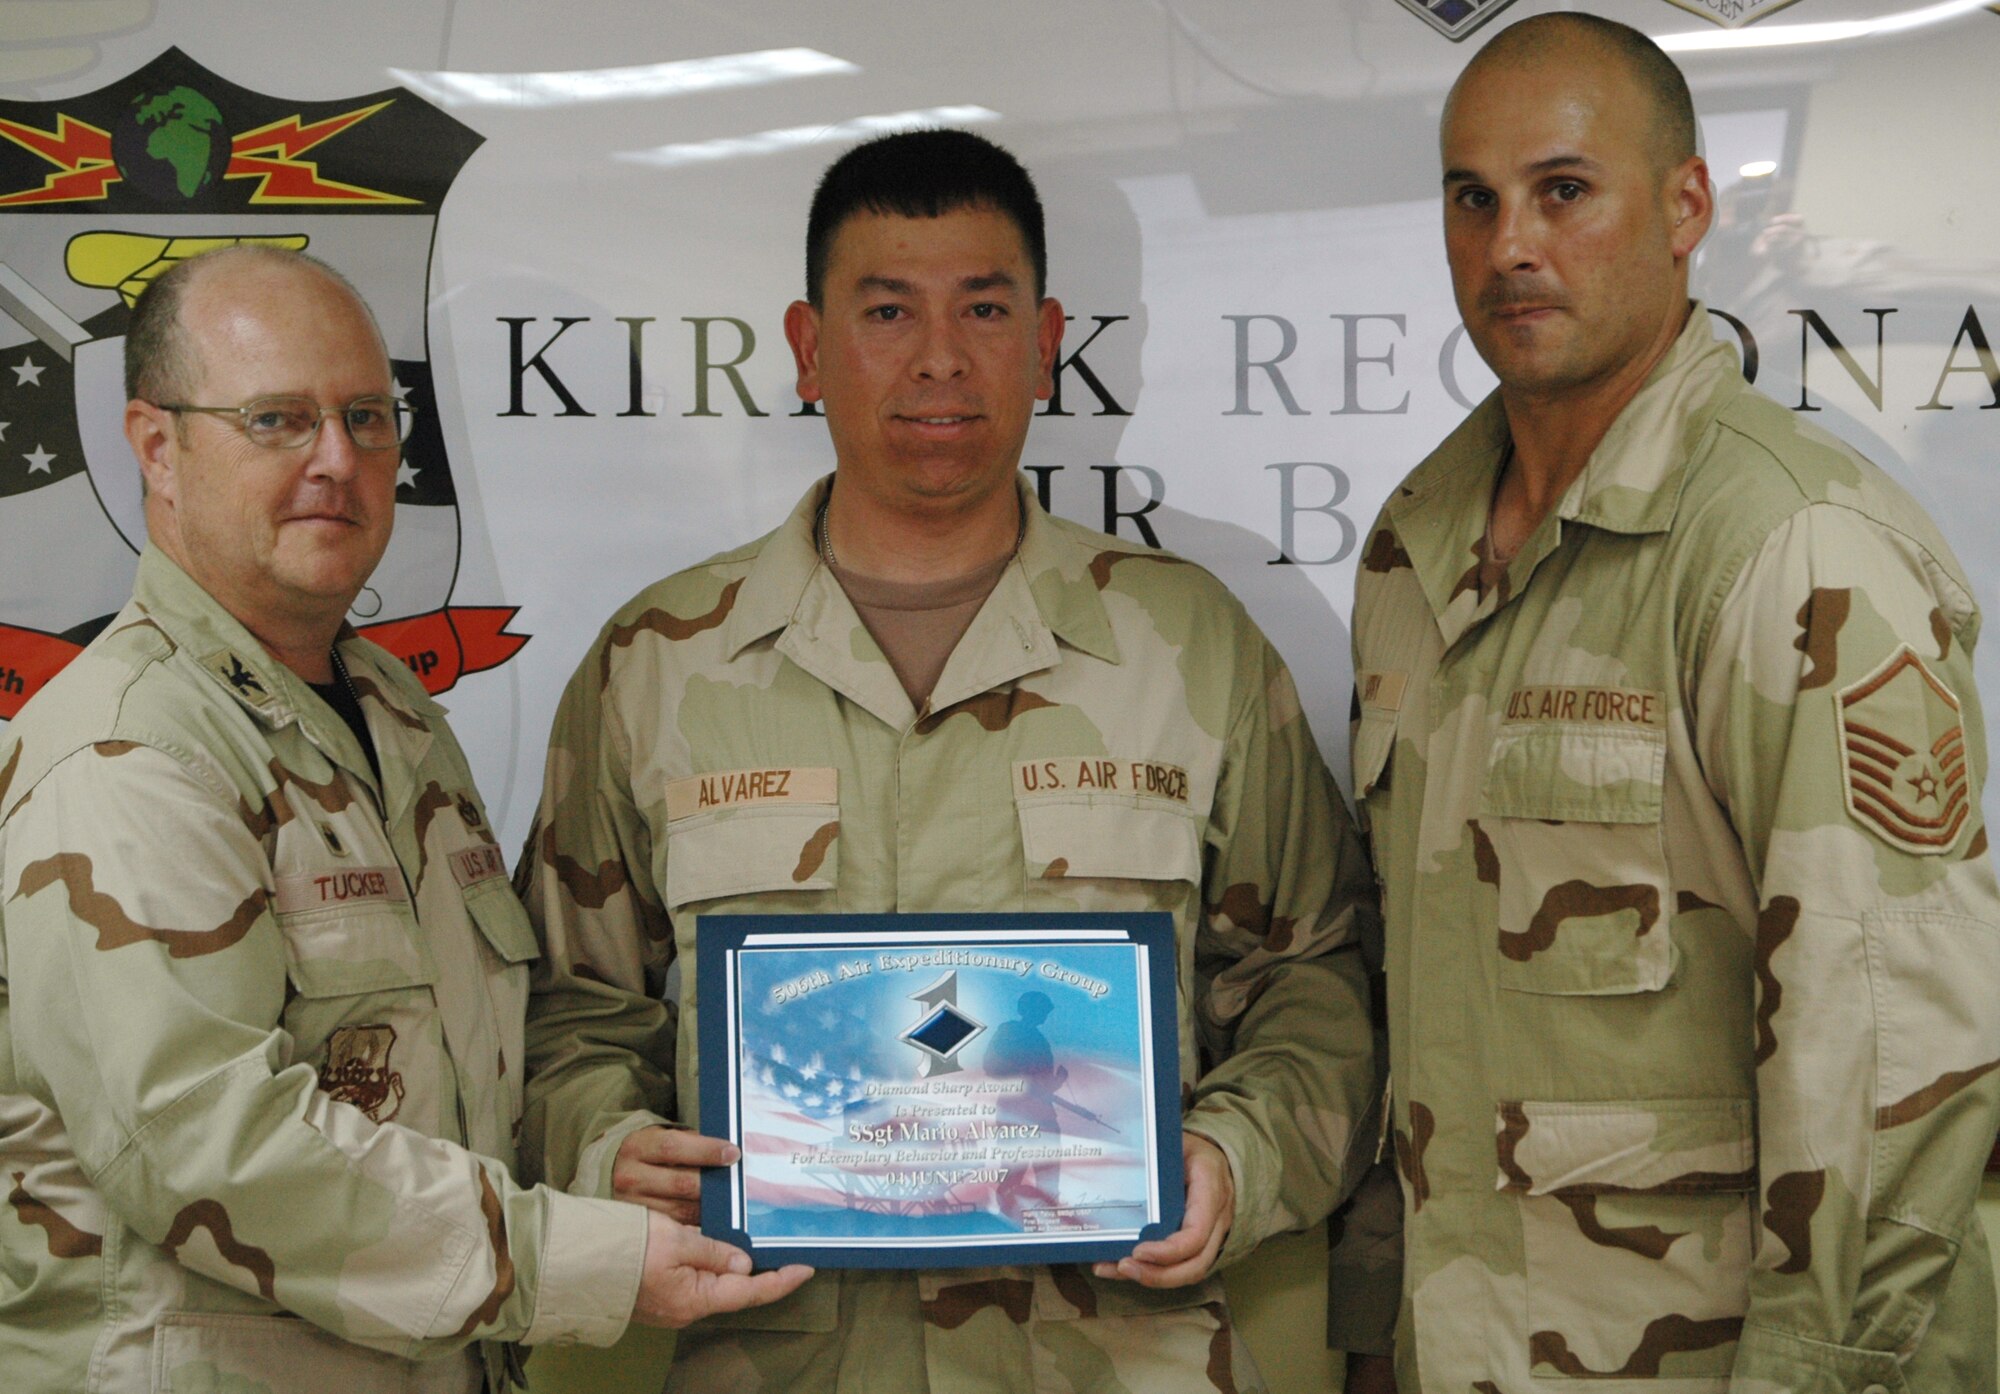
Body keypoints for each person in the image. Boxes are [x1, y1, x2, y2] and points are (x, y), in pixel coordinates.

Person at [518, 128, 1384, 1393]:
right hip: (778, 1352)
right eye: (886, 310)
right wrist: (604, 1142)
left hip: (1107, 1352)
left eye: (983, 307)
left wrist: (1237, 1158)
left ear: (1044, 342)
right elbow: (563, 1008)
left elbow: (1317, 981)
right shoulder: (656, 663)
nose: (938, 357)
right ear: (809, 349)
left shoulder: (1186, 647)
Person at [0, 245, 808, 1394]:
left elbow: (467, 1069)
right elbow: (201, 1144)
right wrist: (577, 1257)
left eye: (369, 417)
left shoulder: (391, 711)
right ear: (156, 448)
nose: (338, 459)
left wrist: (603, 1152)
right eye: (277, 418)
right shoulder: (135, 751)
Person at [1350, 13, 2000, 1390]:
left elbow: (1902, 1073)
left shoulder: (1789, 543)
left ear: (1688, 206)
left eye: (1563, 190)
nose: (1510, 243)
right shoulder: (1417, 545)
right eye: (1475, 199)